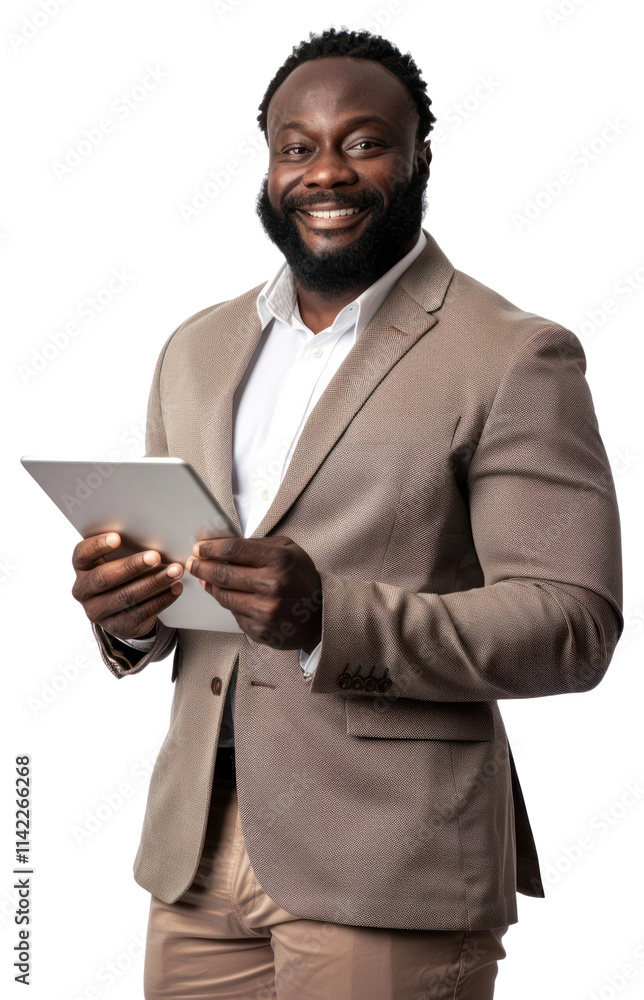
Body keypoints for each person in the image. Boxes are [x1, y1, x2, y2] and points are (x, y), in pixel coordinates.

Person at [70, 27, 623, 1000]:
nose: (325, 170)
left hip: (389, 860)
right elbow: (186, 591)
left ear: (418, 158)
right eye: (297, 145)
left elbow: (570, 623)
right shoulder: (195, 349)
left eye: (363, 141)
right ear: (270, 161)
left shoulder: (510, 355)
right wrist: (127, 613)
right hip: (196, 859)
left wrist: (332, 617)